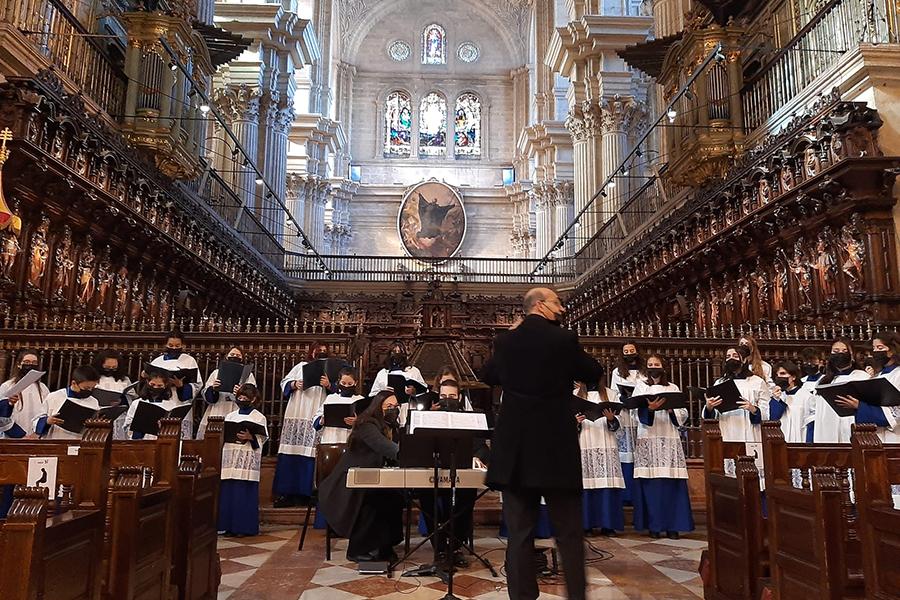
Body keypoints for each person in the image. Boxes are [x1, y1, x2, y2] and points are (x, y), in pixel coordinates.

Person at [481, 287, 603, 600]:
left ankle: (522, 596)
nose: (561, 308)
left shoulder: (507, 341)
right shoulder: (562, 339)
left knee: (520, 533)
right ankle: (576, 595)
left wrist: (506, 343)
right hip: (554, 447)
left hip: (517, 449)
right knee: (568, 532)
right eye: (557, 303)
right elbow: (592, 371)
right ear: (540, 305)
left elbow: (487, 374)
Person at [318, 391, 404, 563]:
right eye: (389, 407)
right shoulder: (366, 424)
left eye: (396, 407)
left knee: (395, 496)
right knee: (372, 500)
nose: (393, 410)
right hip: (348, 482)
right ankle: (358, 549)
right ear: (378, 407)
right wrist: (414, 455)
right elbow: (386, 447)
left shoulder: (391, 427)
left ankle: (385, 546)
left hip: (373, 478)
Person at [417, 378, 482, 569]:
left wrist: (477, 457)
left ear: (459, 397)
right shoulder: (428, 417)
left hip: (461, 471)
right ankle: (439, 548)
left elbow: (479, 445)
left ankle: (456, 547)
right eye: (443, 396)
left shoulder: (470, 418)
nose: (447, 399)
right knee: (426, 497)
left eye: (452, 396)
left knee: (466, 497)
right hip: (433, 472)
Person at [632, 354, 694, 539]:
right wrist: (648, 410)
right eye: (650, 364)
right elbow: (635, 412)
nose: (653, 367)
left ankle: (673, 526)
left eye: (656, 364)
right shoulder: (641, 387)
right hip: (648, 438)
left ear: (663, 367)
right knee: (652, 485)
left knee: (671, 484)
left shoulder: (672, 387)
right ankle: (654, 526)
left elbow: (683, 413)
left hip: (668, 438)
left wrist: (670, 409)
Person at [273, 341, 331, 507]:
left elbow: (338, 389)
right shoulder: (300, 366)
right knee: (292, 449)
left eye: (323, 351)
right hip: (297, 411)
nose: (320, 353)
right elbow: (284, 383)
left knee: (312, 452)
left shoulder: (329, 369)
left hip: (316, 410)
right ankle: (288, 493)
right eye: (317, 350)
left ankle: (309, 493)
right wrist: (294, 384)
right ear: (311, 352)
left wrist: (328, 385)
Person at [218, 383, 268, 537]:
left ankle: (244, 527)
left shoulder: (259, 417)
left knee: (243, 495)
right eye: (239, 397)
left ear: (253, 399)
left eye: (245, 398)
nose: (241, 400)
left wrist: (250, 437)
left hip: (247, 457)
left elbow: (262, 439)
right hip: (230, 456)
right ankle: (227, 526)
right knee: (228, 494)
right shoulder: (230, 416)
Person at [576, 380, 625, 536]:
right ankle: (586, 525)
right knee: (586, 484)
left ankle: (608, 525)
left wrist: (612, 418)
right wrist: (575, 422)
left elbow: (621, 421)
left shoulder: (610, 394)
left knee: (607, 484)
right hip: (584, 441)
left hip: (606, 442)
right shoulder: (575, 396)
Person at [834, 332, 900, 443]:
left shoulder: (898, 374)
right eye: (874, 348)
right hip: (876, 435)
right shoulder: (878, 376)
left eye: (880, 348)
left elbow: (896, 413)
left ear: (892, 350)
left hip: (894, 436)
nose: (875, 352)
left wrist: (859, 406)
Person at [805, 339, 869, 443]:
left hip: (851, 430)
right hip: (825, 432)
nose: (840, 354)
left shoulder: (861, 377)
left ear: (852, 355)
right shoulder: (823, 381)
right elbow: (813, 411)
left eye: (844, 351)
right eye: (835, 351)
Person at [703, 346, 769, 442]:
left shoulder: (757, 382)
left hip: (750, 430)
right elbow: (713, 414)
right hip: (727, 429)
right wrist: (709, 407)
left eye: (735, 356)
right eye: (728, 357)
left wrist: (753, 409)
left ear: (744, 360)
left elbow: (767, 411)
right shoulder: (720, 383)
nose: (731, 359)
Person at [149, 331, 203, 439]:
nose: (174, 348)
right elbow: (149, 384)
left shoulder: (189, 360)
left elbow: (197, 385)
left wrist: (181, 386)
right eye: (171, 345)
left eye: (177, 346)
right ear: (165, 345)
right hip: (160, 402)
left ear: (183, 345)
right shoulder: (157, 362)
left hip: (179, 402)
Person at [198, 346, 257, 439]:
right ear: (226, 356)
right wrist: (213, 389)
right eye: (232, 354)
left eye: (238, 355)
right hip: (218, 409)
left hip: (236, 409)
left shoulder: (248, 375)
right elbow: (206, 394)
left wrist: (241, 392)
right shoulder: (216, 372)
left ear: (242, 359)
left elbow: (252, 395)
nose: (235, 356)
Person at [610, 341, 643, 506]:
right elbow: (613, 391)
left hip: (641, 414)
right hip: (625, 414)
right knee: (626, 453)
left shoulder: (644, 371)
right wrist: (622, 398)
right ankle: (627, 495)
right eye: (626, 351)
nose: (629, 353)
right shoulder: (617, 372)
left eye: (632, 350)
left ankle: (639, 493)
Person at [33, 366, 101, 440]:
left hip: (81, 442)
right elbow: (36, 420)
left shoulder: (94, 402)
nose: (90, 391)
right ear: (74, 383)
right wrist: (47, 421)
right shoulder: (54, 397)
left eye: (93, 388)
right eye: (86, 388)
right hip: (57, 440)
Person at [123, 367, 191, 440]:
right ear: (147, 382)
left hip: (163, 440)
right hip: (142, 441)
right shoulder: (137, 403)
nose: (155, 387)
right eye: (152, 384)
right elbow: (127, 425)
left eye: (159, 386)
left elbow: (176, 427)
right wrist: (138, 430)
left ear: (165, 385)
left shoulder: (172, 404)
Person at [0, 349, 49, 436]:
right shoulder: (7, 386)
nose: (30, 365)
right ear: (19, 364)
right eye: (27, 362)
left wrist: (36, 434)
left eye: (34, 363)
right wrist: (20, 435)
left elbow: (46, 412)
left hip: (36, 437)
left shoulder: (43, 388)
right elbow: (2, 418)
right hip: (13, 437)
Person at [313, 367, 362, 445]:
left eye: (350, 384)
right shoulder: (331, 398)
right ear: (339, 381)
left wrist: (357, 421)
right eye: (343, 383)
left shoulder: (360, 400)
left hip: (350, 439)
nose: (346, 386)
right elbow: (316, 419)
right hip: (330, 438)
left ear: (355, 383)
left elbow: (368, 423)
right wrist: (322, 420)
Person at [92, 349, 132, 440]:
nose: (110, 370)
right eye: (107, 367)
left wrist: (122, 400)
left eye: (114, 368)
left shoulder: (124, 379)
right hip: (99, 415)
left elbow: (132, 398)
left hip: (119, 416)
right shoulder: (93, 377)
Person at [768, 361, 811, 442]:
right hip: (782, 437)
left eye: (783, 373)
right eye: (777, 375)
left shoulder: (806, 396)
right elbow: (774, 419)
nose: (779, 377)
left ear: (793, 376)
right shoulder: (776, 396)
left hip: (800, 438)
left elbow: (810, 422)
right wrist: (776, 399)